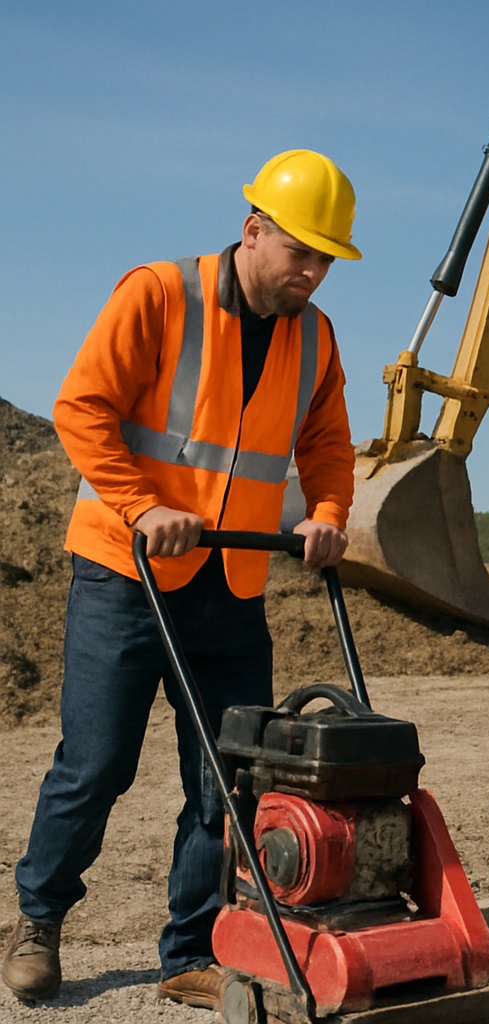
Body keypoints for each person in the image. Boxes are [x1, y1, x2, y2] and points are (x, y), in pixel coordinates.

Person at [2, 150, 361, 1009]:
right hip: (125, 574)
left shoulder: (314, 336)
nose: (312, 274)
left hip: (233, 581)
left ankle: (190, 951)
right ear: (253, 230)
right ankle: (40, 921)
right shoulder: (160, 294)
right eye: (300, 253)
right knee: (95, 764)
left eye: (325, 260)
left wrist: (328, 513)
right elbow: (81, 407)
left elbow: (327, 444)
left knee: (226, 775)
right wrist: (138, 505)